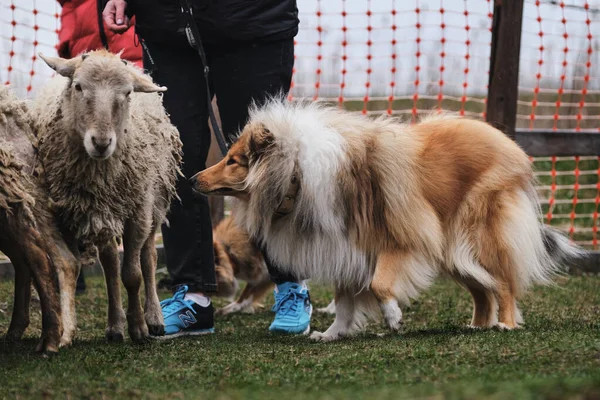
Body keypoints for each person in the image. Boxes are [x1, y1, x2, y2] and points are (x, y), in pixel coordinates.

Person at [102, 0, 313, 338]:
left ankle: (291, 284)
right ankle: (192, 295)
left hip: (252, 20)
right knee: (175, 155)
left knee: (265, 157)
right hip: (169, 27)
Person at [56, 0, 143, 294]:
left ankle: (150, 265)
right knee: (68, 173)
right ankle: (70, 264)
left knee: (139, 173)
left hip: (129, 64)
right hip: (82, 63)